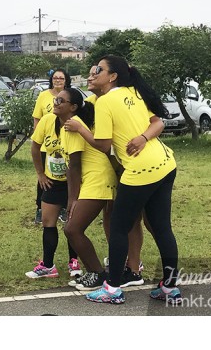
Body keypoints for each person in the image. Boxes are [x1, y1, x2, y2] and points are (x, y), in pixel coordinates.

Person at [66, 55, 181, 305]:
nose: (94, 72)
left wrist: (81, 129)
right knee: (162, 228)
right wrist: (143, 137)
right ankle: (170, 287)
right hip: (166, 163)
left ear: (113, 76)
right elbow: (157, 122)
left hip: (140, 170)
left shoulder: (107, 102)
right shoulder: (135, 92)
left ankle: (112, 288)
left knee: (119, 227)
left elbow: (103, 145)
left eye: (99, 69)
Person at [26, 84, 82, 281]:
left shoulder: (78, 124)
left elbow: (77, 163)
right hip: (51, 181)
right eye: (55, 100)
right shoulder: (48, 120)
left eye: (60, 100)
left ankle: (74, 261)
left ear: (73, 107)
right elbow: (35, 147)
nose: (55, 103)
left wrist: (74, 194)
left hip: (74, 183)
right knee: (48, 222)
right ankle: (48, 265)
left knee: (72, 223)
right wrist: (41, 174)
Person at [31, 69, 71, 224]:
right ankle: (41, 208)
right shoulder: (43, 96)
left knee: (66, 176)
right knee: (44, 178)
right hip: (46, 145)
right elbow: (37, 118)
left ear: (66, 80)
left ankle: (63, 208)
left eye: (61, 78)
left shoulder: (70, 95)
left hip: (66, 144)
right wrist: (38, 136)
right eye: (55, 78)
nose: (58, 80)